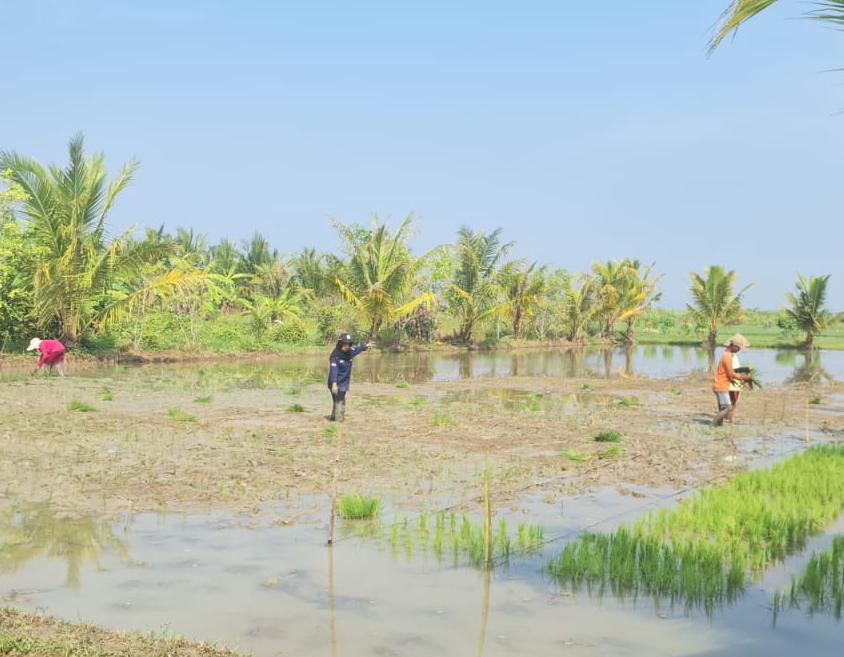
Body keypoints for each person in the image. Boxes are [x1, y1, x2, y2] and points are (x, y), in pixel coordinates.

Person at [327, 333, 374, 422]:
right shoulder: (335, 356)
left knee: (338, 400)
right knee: (339, 401)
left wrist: (366, 346)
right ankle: (338, 421)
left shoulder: (350, 352)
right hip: (335, 382)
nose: (347, 346)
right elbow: (334, 370)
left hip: (344, 382)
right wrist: (334, 384)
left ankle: (334, 418)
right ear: (340, 344)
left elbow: (358, 349)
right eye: (345, 344)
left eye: (348, 344)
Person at [712, 333, 752, 426]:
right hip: (721, 386)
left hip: (722, 385)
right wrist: (743, 378)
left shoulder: (728, 355)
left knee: (723, 408)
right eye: (738, 348)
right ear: (733, 346)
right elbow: (731, 373)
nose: (738, 350)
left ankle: (718, 425)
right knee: (729, 407)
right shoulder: (727, 356)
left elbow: (729, 374)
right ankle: (713, 424)